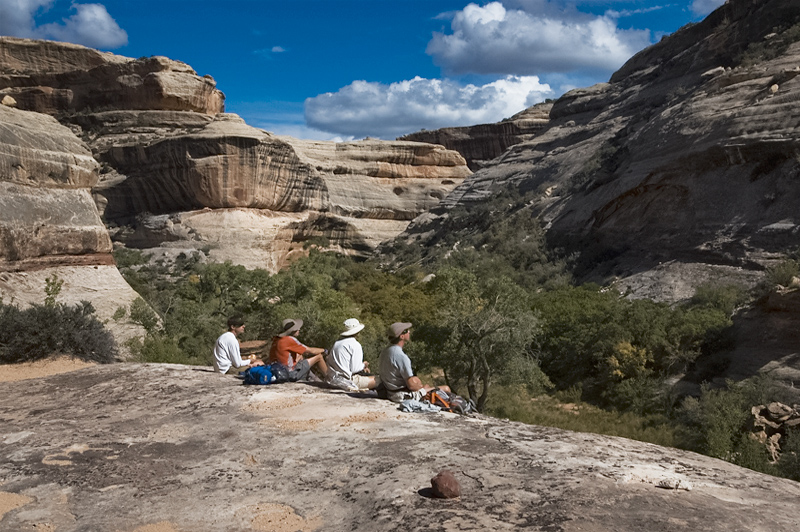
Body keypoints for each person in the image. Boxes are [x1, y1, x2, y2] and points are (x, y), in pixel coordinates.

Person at [377, 322, 450, 402]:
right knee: (446, 389)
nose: (409, 332)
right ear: (401, 336)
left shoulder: (385, 351)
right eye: (406, 331)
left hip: (389, 391)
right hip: (400, 395)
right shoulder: (401, 356)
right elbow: (411, 386)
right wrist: (421, 387)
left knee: (422, 383)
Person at [327, 318, 381, 390]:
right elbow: (355, 369)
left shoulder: (337, 343)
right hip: (347, 381)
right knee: (379, 380)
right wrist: (364, 365)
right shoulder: (355, 344)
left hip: (333, 380)